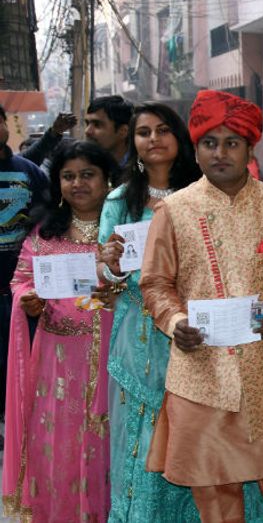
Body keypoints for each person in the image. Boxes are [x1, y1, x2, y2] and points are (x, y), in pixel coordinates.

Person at [97, 102, 263, 522]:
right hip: (143, 336)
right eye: (143, 132)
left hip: (207, 335)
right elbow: (106, 274)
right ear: (132, 141)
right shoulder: (121, 199)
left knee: (212, 433)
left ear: (182, 139)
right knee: (145, 433)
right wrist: (110, 264)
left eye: (163, 130)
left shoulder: (206, 190)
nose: (153, 139)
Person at [140, 89, 263, 523]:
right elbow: (156, 283)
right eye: (209, 143)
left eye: (232, 143)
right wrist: (176, 322)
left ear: (250, 149)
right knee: (215, 504)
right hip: (200, 380)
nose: (220, 153)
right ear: (195, 151)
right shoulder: (173, 210)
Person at [3, 141, 116, 521]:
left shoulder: (120, 230)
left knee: (110, 441)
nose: (78, 183)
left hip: (113, 356)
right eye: (68, 176)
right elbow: (20, 280)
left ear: (106, 180)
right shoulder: (45, 233)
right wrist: (28, 299)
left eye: (88, 175)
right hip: (57, 361)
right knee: (61, 442)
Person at [0, 103, 49, 438]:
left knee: (23, 356)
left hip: (25, 286)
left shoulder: (28, 170)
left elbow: (49, 215)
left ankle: (23, 419)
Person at [85, 95, 134, 185]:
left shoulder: (142, 171)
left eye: (97, 124)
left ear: (123, 131)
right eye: (87, 123)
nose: (87, 131)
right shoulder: (87, 166)